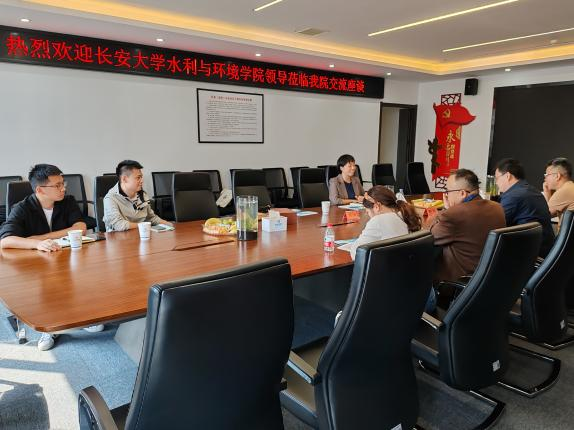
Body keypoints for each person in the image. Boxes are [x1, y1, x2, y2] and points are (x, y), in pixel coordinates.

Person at [0, 164, 103, 351]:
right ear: (40, 189)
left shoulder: (67, 201)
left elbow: (80, 228)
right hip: (36, 265)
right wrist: (37, 244)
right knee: (50, 290)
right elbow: (5, 241)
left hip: (65, 259)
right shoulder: (22, 208)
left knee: (86, 277)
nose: (63, 188)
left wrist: (37, 238)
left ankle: (82, 317)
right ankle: (50, 328)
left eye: (63, 183)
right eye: (58, 185)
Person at [430, 168, 506, 284]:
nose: (446, 195)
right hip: (489, 280)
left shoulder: (453, 215)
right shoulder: (497, 207)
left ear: (462, 193)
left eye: (447, 191)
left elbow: (430, 237)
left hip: (458, 283)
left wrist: (445, 210)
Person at [495, 158, 554, 257]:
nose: (496, 183)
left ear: (508, 176)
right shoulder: (534, 191)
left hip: (527, 255)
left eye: (497, 178)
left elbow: (496, 224)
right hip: (544, 251)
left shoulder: (513, 196)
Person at [350, 185, 420, 260]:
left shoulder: (378, 221)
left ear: (377, 206)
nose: (369, 216)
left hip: (389, 265)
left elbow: (356, 253)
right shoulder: (405, 214)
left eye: (368, 212)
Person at [103, 160, 173, 232]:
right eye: (138, 177)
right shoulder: (110, 198)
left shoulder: (142, 194)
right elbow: (118, 225)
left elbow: (151, 218)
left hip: (141, 234)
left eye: (141, 177)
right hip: (119, 237)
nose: (142, 181)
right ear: (124, 179)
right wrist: (145, 225)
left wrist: (169, 224)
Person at [543, 157, 574, 228]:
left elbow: (544, 216)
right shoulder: (570, 186)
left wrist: (546, 191)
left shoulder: (563, 191)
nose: (545, 179)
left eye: (546, 175)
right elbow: (552, 213)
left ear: (557, 176)